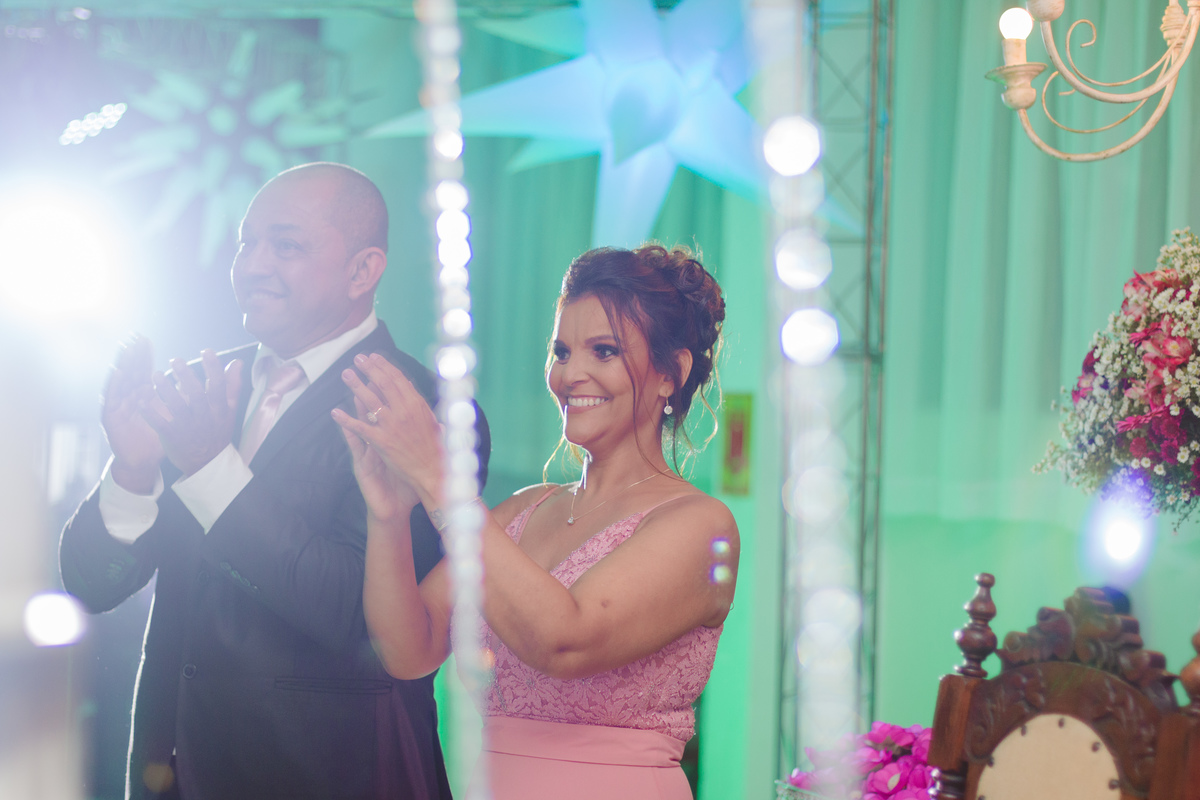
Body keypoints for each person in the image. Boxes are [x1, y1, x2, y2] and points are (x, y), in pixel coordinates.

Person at [60, 162, 488, 800]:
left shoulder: (421, 411)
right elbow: (91, 587)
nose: (252, 265)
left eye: (285, 246)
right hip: (171, 775)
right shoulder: (207, 389)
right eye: (246, 242)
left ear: (363, 271)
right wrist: (133, 469)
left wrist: (211, 470)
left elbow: (357, 619)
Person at [333, 244, 739, 800]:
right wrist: (387, 515)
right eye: (561, 351)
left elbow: (563, 641)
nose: (572, 374)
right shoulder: (521, 511)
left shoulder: (699, 524)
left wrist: (439, 482)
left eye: (604, 351)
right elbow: (409, 650)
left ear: (672, 373)